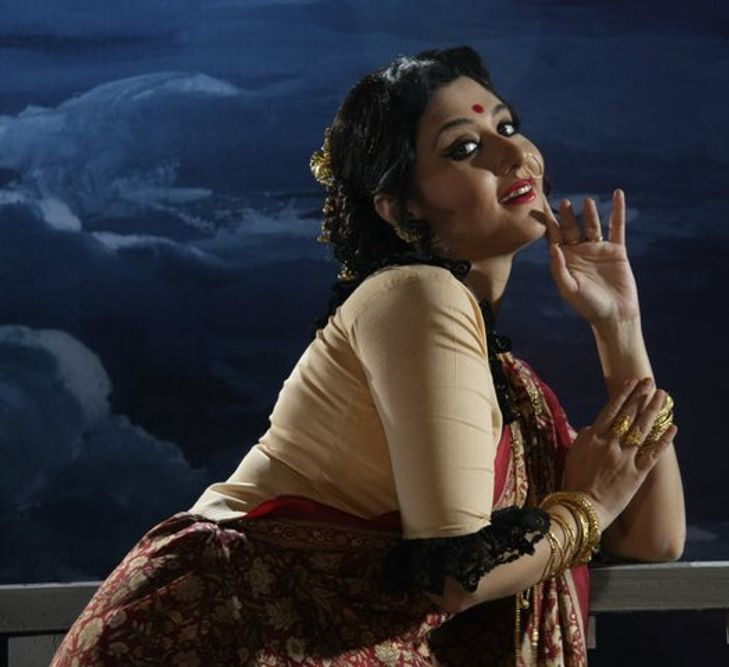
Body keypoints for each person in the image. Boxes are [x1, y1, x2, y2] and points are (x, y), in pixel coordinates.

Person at [53, 45, 686, 666]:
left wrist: (618, 326)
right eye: (465, 149)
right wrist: (586, 508)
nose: (516, 154)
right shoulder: (417, 295)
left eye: (507, 126)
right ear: (402, 207)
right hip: (222, 629)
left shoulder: (505, 373)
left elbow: (654, 537)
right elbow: (456, 572)